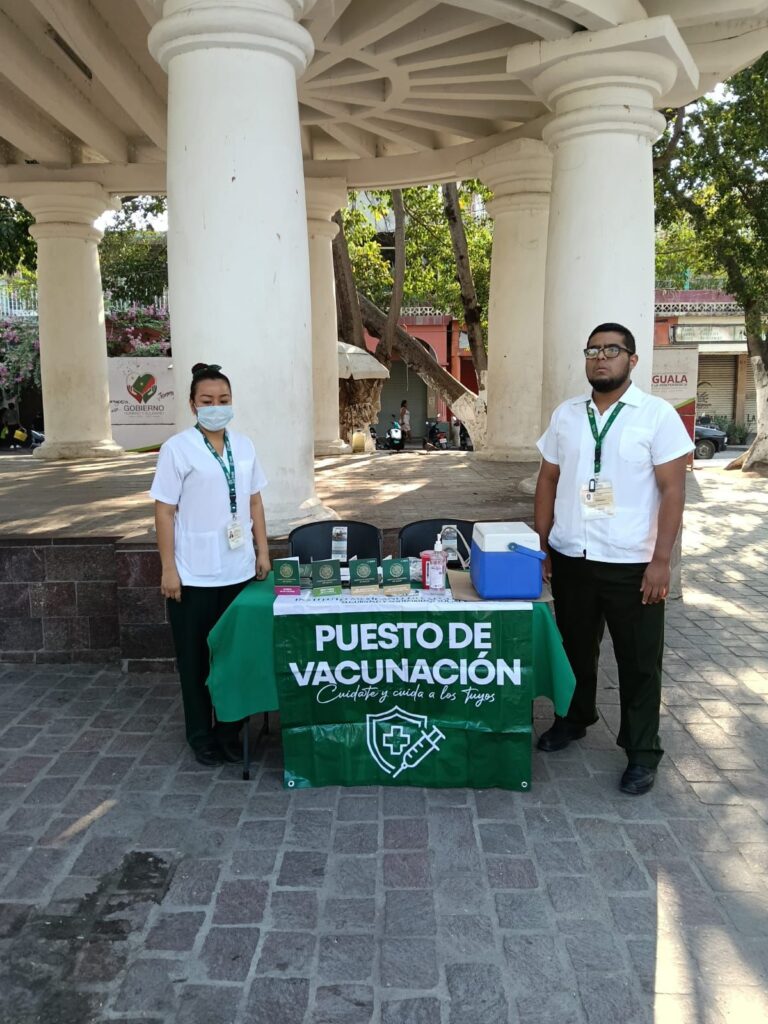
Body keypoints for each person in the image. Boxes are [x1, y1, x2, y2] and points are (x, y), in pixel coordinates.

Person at [534, 323, 694, 795]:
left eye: (611, 350)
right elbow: (547, 480)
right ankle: (575, 718)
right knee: (574, 649)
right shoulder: (566, 415)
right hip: (573, 557)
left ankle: (642, 752)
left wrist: (661, 560)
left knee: (639, 661)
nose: (600, 358)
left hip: (633, 564)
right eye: (592, 350)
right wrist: (542, 545)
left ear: (633, 360)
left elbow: (672, 489)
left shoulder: (656, 415)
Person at [150, 362, 271, 766]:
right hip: (193, 574)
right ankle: (201, 735)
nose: (216, 407)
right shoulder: (177, 449)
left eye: (223, 400)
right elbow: (164, 512)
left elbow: (254, 501)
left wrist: (262, 550)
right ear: (192, 404)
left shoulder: (246, 445)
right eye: (207, 401)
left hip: (238, 571)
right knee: (195, 660)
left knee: (236, 658)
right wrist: (169, 569)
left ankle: (229, 731)